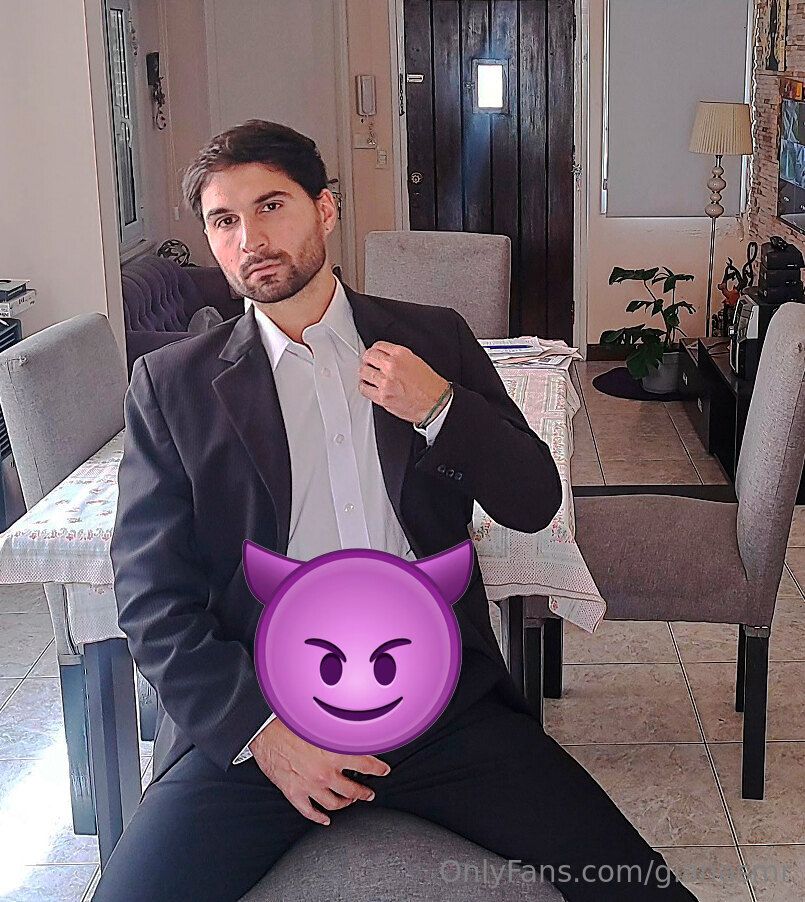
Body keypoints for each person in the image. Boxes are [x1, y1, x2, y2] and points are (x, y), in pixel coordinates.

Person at [95, 120, 696, 901]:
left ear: (324, 209)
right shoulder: (174, 384)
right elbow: (150, 596)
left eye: (271, 206)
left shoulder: (431, 339)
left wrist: (441, 407)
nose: (251, 239)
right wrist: (261, 735)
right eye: (224, 221)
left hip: (440, 707)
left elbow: (531, 501)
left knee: (637, 887)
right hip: (267, 713)